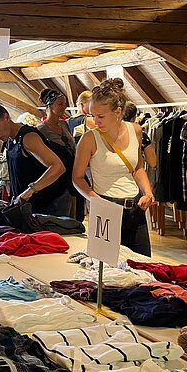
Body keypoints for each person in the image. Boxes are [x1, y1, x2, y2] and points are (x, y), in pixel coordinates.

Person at [72, 79, 155, 256]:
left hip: (135, 207)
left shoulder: (136, 130)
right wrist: (95, 199)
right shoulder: (89, 139)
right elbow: (77, 177)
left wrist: (148, 193)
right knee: (105, 265)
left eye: (100, 116)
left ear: (117, 112)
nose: (95, 121)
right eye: (92, 116)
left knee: (142, 265)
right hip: (105, 207)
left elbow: (138, 167)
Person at [0, 95, 66, 215]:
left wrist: (30, 190)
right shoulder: (9, 140)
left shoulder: (28, 138)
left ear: (6, 117)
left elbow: (58, 167)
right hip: (30, 206)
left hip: (48, 204)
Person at [37, 88, 75, 217]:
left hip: (70, 176)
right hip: (56, 181)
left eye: (65, 103)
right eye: (60, 103)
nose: (64, 106)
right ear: (50, 105)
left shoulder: (64, 124)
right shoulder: (41, 130)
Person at [122, 101, 157, 169]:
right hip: (134, 172)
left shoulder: (110, 132)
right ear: (134, 117)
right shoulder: (140, 135)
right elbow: (153, 162)